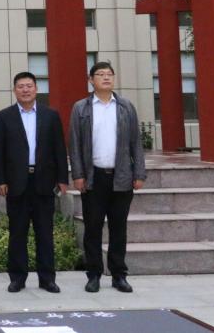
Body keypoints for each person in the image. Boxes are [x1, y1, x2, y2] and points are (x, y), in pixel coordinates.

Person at [69, 60, 147, 294]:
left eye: (109, 74)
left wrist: (139, 173)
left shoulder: (125, 107)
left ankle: (118, 274)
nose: (105, 78)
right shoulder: (81, 108)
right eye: (100, 74)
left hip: (121, 176)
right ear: (91, 80)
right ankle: (93, 274)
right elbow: (74, 144)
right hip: (94, 177)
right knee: (92, 228)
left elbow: (136, 143)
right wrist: (78, 174)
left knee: (118, 228)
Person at [0, 72, 68, 294]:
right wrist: (0, 180)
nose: (25, 90)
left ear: (36, 89)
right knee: (17, 233)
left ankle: (47, 278)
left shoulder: (50, 115)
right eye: (21, 86)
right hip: (16, 183)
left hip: (44, 181)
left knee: (45, 233)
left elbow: (59, 149)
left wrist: (62, 178)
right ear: (15, 90)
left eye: (29, 86)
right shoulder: (3, 117)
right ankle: (17, 278)